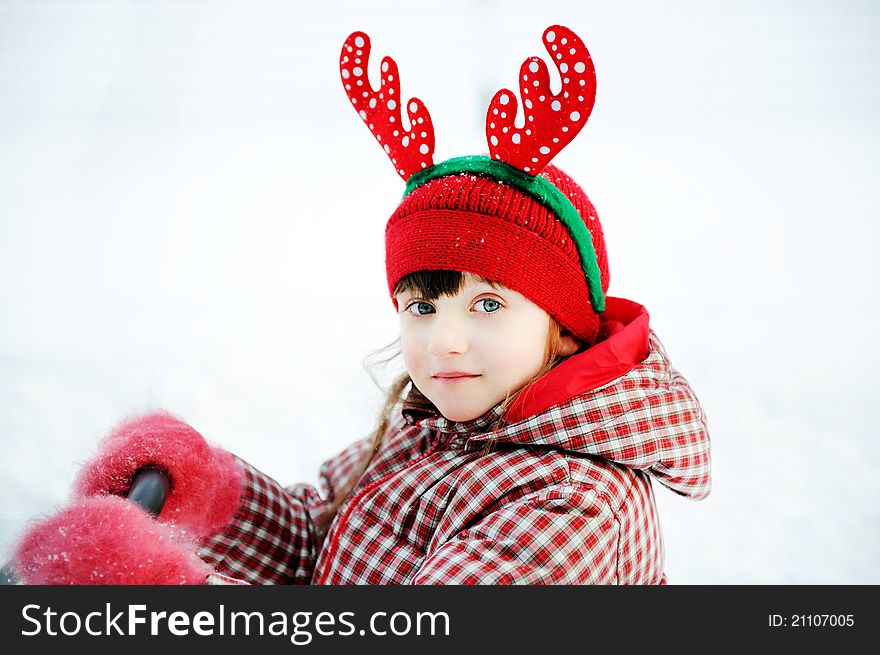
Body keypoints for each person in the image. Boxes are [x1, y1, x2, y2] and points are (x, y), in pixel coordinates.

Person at [11, 25, 710, 585]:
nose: (447, 341)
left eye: (489, 304)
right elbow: (318, 538)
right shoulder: (437, 422)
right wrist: (207, 491)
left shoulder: (572, 503)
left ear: (564, 327)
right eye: (422, 307)